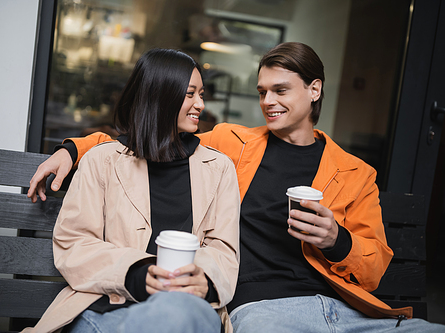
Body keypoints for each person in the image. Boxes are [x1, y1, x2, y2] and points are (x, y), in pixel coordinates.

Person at [28, 42, 445, 332]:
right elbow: (146, 140)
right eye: (262, 92)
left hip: (349, 311)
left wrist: (337, 240)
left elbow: (373, 271)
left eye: (280, 90)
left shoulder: (356, 173)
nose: (268, 102)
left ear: (314, 90)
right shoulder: (230, 146)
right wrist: (73, 148)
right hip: (264, 311)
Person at [23, 48, 240, 333]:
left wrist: (206, 280)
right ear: (161, 94)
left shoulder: (219, 167)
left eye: (202, 94)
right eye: (190, 94)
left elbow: (223, 250)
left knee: (176, 316)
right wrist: (136, 274)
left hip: (186, 311)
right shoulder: (101, 161)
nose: (200, 104)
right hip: (106, 309)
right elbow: (73, 245)